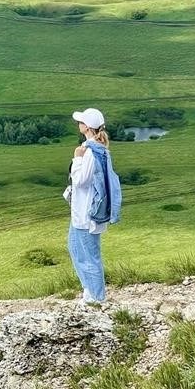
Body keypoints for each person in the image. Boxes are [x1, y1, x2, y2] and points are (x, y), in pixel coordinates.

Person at [64, 107, 113, 304]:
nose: (79, 124)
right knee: (76, 248)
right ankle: (89, 291)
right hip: (81, 212)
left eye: (81, 121)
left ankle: (97, 297)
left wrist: (77, 158)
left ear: (87, 127)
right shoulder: (98, 148)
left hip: (86, 214)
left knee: (89, 255)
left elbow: (81, 181)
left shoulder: (90, 152)